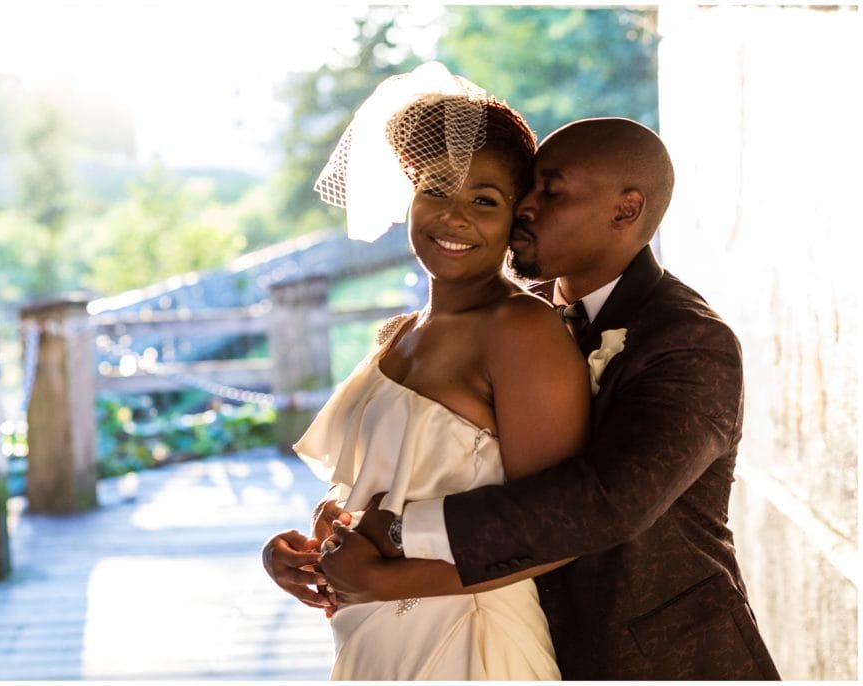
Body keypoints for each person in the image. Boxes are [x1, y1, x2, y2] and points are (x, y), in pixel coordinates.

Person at [315, 116, 782, 680]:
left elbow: (608, 503)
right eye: (527, 187)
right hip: (496, 635)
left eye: (550, 191)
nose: (525, 207)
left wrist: (394, 537)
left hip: (650, 657)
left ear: (625, 210)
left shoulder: (689, 341)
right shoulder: (511, 314)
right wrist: (330, 545)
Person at [262, 62, 590, 679]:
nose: (455, 216)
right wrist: (302, 552)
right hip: (370, 640)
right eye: (436, 188)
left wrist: (385, 581)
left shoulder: (521, 332)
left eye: (484, 200)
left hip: (471, 640)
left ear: (516, 217)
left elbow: (559, 530)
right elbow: (374, 486)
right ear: (409, 194)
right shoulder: (399, 336)